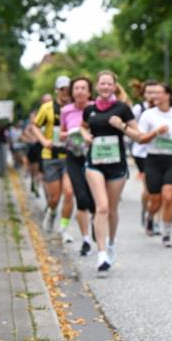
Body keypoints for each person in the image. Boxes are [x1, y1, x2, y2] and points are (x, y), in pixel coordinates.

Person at [82, 71, 139, 274]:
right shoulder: (89, 109)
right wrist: (85, 136)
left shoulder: (123, 108)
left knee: (112, 210)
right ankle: (102, 254)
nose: (105, 87)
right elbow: (83, 127)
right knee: (102, 207)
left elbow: (138, 136)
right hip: (94, 162)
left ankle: (112, 242)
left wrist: (121, 126)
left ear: (114, 87)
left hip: (117, 165)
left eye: (109, 84)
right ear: (97, 87)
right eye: (102, 83)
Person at [136, 82, 172, 247]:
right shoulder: (148, 115)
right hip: (153, 159)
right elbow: (141, 138)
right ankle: (150, 217)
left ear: (167, 96)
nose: (155, 97)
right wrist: (156, 132)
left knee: (168, 198)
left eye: (159, 93)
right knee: (156, 201)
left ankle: (167, 234)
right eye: (153, 94)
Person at [29, 76, 76, 242]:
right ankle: (52, 212)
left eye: (68, 90)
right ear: (56, 90)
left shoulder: (74, 107)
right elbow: (35, 125)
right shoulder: (47, 108)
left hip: (70, 156)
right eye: (62, 89)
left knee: (69, 193)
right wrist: (43, 141)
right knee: (55, 197)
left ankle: (64, 229)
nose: (65, 93)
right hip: (50, 156)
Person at [61, 77, 96, 256]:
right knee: (81, 198)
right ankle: (86, 240)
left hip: (94, 157)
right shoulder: (66, 110)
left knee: (93, 201)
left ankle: (97, 223)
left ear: (90, 92)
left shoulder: (96, 108)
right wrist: (67, 134)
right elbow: (61, 132)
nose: (80, 91)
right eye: (77, 88)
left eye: (84, 88)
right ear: (72, 92)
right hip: (74, 157)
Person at [131, 81, 154, 232]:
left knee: (159, 190)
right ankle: (146, 212)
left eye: (155, 92)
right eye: (149, 92)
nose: (153, 96)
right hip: (142, 153)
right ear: (143, 94)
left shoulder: (166, 109)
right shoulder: (139, 109)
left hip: (160, 152)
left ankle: (153, 218)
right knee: (150, 187)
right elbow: (130, 129)